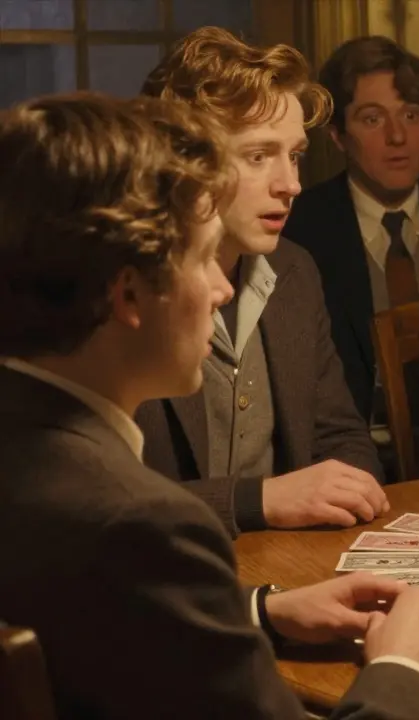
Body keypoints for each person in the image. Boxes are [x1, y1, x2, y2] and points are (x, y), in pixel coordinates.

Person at [0, 92, 419, 719]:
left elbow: (95, 618)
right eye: (200, 258)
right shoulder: (144, 526)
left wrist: (258, 610)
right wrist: (408, 669)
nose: (222, 288)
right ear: (130, 294)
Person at [135, 27, 389, 537]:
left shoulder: (295, 272)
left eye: (294, 155)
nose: (291, 184)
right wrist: (262, 500)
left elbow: (344, 438)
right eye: (258, 156)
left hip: (288, 567)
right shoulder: (125, 288)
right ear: (188, 164)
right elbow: (97, 506)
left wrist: (343, 491)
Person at [285, 36, 419, 437]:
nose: (397, 137)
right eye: (372, 119)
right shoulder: (298, 229)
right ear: (337, 135)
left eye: (410, 115)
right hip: (347, 456)